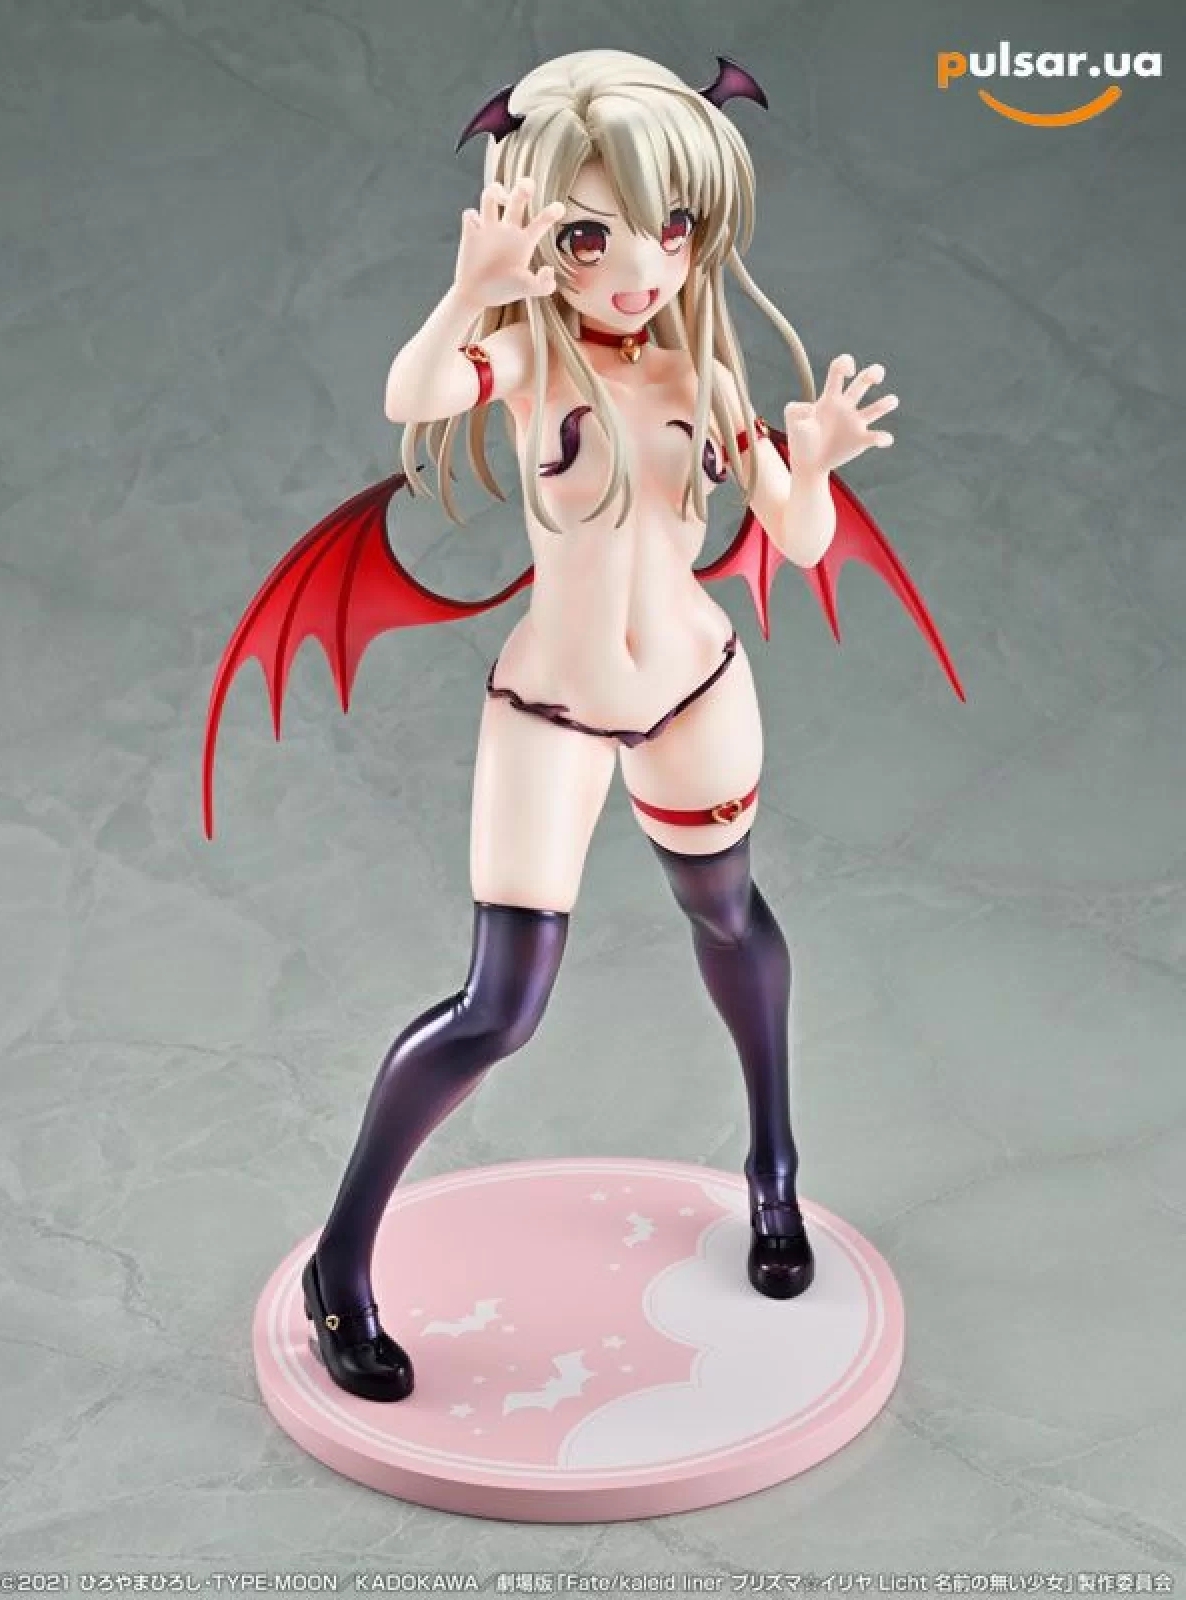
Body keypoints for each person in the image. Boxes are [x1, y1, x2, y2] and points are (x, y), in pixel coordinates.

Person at [206, 50, 959, 1402]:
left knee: (728, 915)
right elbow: (411, 397)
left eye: (671, 229)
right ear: (542, 238)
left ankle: (773, 1173)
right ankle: (340, 1264)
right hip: (550, 705)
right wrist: (469, 290)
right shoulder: (528, 359)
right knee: (499, 1008)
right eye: (591, 236)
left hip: (693, 688)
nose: (639, 269)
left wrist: (816, 462)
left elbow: (795, 536)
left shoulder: (700, 377)